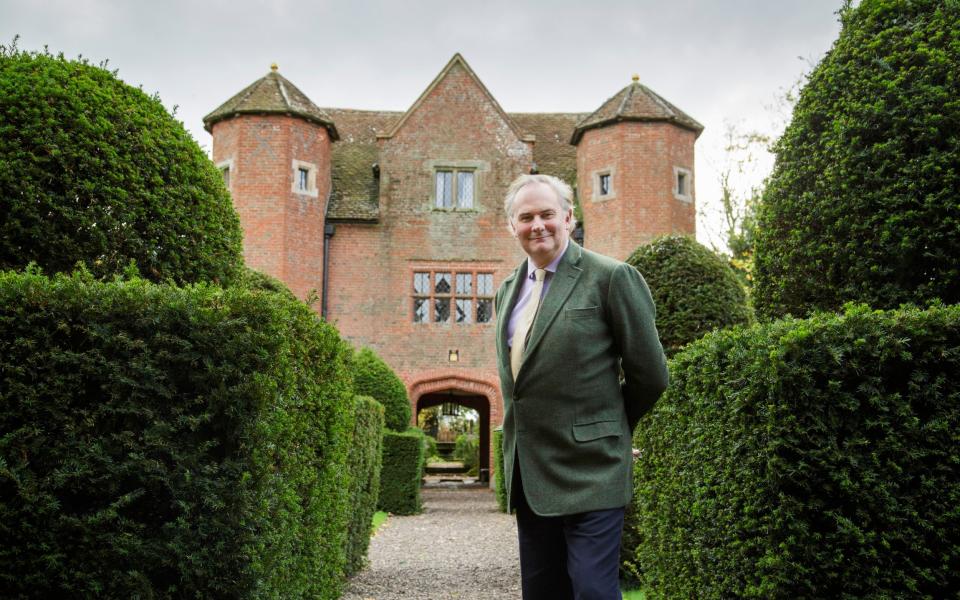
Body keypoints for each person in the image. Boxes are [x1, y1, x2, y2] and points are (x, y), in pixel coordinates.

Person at [494, 174, 668, 600]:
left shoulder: (611, 278)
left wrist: (610, 428)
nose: (538, 225)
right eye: (526, 217)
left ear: (569, 217)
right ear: (511, 226)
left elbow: (651, 374)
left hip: (593, 469)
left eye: (548, 214)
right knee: (542, 592)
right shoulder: (506, 292)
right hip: (531, 472)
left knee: (592, 590)